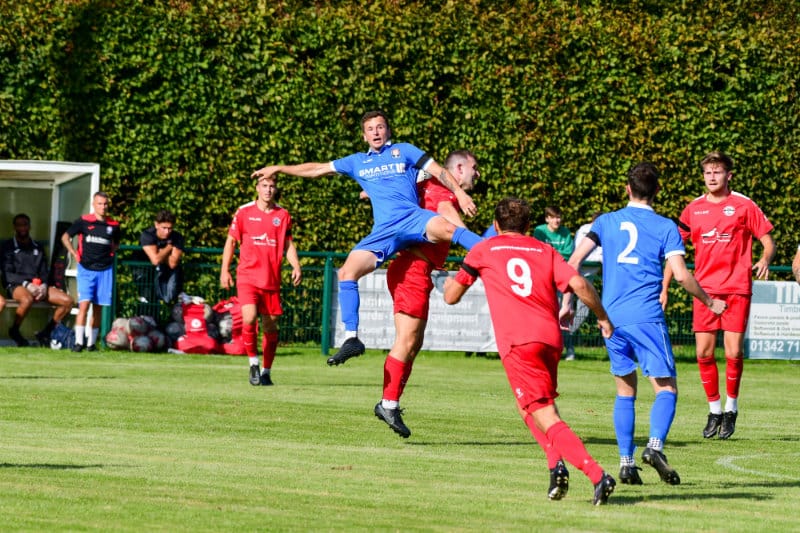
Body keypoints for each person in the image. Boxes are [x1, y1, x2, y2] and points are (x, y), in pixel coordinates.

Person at [252, 110, 482, 366]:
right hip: (384, 232)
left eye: (380, 127)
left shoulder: (404, 151)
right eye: (370, 129)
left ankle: (490, 250)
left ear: (388, 131)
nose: (376, 132)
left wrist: (460, 194)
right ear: (364, 136)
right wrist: (280, 168)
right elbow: (317, 169)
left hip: (412, 218)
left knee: (449, 228)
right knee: (346, 272)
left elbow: (439, 171)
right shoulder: (357, 162)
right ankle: (351, 338)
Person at [443, 197, 617, 506]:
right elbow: (578, 283)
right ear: (527, 226)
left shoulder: (483, 249)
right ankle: (555, 465)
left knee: (544, 413)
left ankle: (597, 474)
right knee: (529, 407)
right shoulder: (544, 250)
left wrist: (447, 284)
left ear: (496, 225)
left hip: (519, 342)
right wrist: (602, 317)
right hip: (550, 339)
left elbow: (451, 296)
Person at [567, 162, 726, 486]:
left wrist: (567, 302)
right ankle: (654, 447)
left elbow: (573, 262)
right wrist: (710, 302)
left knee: (625, 390)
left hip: (611, 318)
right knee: (666, 388)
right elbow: (680, 275)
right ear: (657, 191)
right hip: (646, 317)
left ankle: (626, 464)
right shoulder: (665, 226)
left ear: (627, 189)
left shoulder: (605, 221)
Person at [662, 151, 775, 441]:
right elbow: (674, 251)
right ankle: (714, 410)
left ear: (729, 175)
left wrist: (765, 258)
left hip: (737, 287)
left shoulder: (744, 205)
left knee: (733, 352)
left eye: (717, 172)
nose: (712, 177)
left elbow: (767, 240)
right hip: (704, 291)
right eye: (708, 172)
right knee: (703, 352)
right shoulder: (693, 209)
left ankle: (731, 408)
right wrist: (664, 287)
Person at [375, 149, 480, 438]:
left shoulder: (428, 185)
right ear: (459, 169)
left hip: (415, 268)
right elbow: (449, 218)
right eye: (474, 167)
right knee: (406, 341)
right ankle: (388, 403)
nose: (477, 173)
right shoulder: (442, 191)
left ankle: (391, 402)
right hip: (412, 268)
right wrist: (481, 247)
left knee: (413, 343)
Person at [220, 175, 302, 386]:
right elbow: (231, 242)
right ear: (257, 188)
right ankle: (253, 364)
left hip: (271, 279)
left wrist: (296, 265)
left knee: (270, 325)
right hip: (247, 276)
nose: (268, 190)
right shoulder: (244, 212)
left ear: (276, 189)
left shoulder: (283, 215)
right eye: (264, 186)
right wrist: (224, 270)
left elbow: (288, 244)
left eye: (271, 186)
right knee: (249, 317)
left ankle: (266, 371)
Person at [1, 214, 74, 346]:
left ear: (30, 226)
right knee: (27, 299)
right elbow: (7, 274)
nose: (22, 228)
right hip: (16, 285)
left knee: (68, 301)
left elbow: (44, 271)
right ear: (14, 227)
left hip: (38, 287)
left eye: (25, 225)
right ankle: (15, 330)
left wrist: (44, 286)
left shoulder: (37, 247)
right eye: (19, 225)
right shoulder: (8, 246)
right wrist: (27, 284)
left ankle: (46, 333)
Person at [61, 192, 121, 352]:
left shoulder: (114, 225)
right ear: (93, 205)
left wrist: (110, 254)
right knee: (84, 305)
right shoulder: (83, 221)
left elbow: (116, 244)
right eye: (100, 203)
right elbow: (65, 237)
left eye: (105, 204)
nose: (103, 207)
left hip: (105, 270)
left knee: (98, 308)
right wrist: (73, 253)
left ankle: (91, 344)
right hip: (86, 269)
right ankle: (78, 342)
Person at [533, 206, 576, 359]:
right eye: (553, 217)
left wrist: (550, 252)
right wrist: (555, 254)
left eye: (558, 217)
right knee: (544, 314)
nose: (557, 220)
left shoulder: (566, 232)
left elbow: (568, 253)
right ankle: (545, 347)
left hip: (561, 278)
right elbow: (538, 251)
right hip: (543, 278)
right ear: (547, 219)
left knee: (565, 313)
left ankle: (569, 349)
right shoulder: (539, 231)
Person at [565, 211, 603, 360]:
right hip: (575, 275)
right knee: (564, 310)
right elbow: (581, 253)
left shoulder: (603, 231)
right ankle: (565, 344)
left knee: (583, 312)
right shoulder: (585, 230)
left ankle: (566, 336)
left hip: (588, 279)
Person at [137, 210, 185, 305]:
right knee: (148, 300)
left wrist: (160, 253)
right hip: (145, 272)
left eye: (170, 228)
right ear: (156, 225)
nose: (167, 232)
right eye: (164, 228)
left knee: (172, 299)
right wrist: (169, 247)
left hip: (166, 271)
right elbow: (155, 260)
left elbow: (172, 263)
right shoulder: (147, 235)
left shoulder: (177, 237)